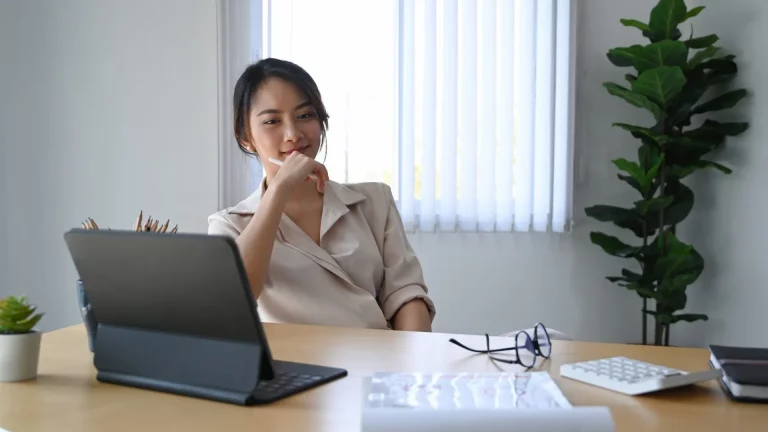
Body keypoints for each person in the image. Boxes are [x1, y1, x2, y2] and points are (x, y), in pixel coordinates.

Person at [207, 58, 435, 332]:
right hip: (294, 369)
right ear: (245, 136)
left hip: (378, 362)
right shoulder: (230, 225)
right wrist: (279, 189)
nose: (293, 134)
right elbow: (234, 301)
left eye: (305, 116)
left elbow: (407, 296)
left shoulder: (374, 201)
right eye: (272, 121)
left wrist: (411, 368)